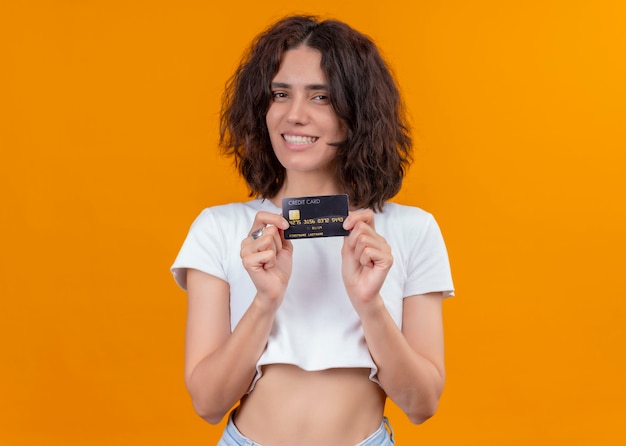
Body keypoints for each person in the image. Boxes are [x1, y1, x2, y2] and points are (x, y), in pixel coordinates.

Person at [171, 15, 454, 446]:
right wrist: (265, 301)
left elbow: (422, 404)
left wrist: (369, 303)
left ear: (356, 111)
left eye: (321, 97)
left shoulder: (412, 230)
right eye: (280, 94)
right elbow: (208, 404)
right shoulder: (220, 229)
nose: (294, 115)